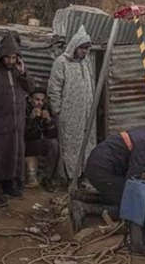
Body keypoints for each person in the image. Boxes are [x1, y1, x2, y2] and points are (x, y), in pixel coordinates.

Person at [0, 34, 33, 207]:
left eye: (14, 57)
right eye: (8, 57)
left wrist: (23, 73)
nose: (11, 61)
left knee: (14, 154)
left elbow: (31, 89)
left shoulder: (17, 71)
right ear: (1, 56)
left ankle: (10, 185)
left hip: (15, 123)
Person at [82, 124, 145, 209]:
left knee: (117, 192)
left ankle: (82, 197)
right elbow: (133, 178)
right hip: (101, 169)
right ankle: (86, 209)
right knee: (130, 203)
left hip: (98, 165)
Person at [48, 27, 95, 183]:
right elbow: (54, 89)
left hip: (87, 113)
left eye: (87, 48)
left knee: (86, 143)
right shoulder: (61, 63)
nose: (85, 52)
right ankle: (70, 177)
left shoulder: (86, 63)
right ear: (75, 46)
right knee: (70, 146)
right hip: (69, 114)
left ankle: (84, 175)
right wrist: (57, 111)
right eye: (82, 48)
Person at [24, 88, 60, 191]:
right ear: (31, 99)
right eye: (37, 99)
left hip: (39, 143)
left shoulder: (46, 109)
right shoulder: (24, 109)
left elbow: (53, 134)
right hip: (27, 144)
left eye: (42, 100)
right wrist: (31, 119)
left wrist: (48, 121)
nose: (39, 103)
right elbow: (23, 133)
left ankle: (47, 178)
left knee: (54, 144)